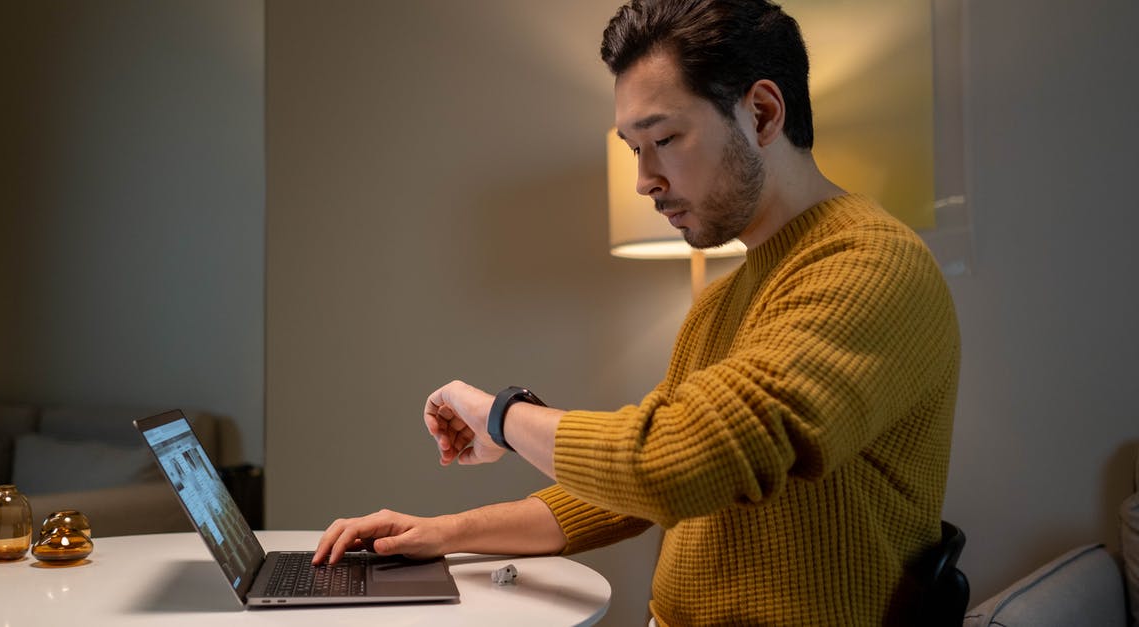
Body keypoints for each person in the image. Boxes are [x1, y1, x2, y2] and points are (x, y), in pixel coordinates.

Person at [314, 0, 960, 624]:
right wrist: (439, 534)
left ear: (762, 114)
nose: (644, 179)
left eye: (665, 138)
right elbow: (626, 490)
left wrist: (502, 414)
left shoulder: (871, 265)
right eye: (633, 147)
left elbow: (668, 464)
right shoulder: (724, 301)